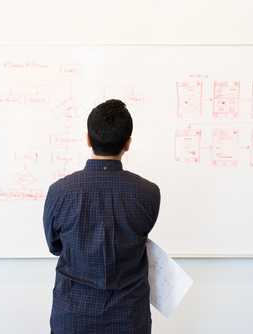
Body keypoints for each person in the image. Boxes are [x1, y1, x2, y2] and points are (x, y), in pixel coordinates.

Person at [43, 99, 161, 333]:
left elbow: (55, 246)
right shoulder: (148, 193)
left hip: (73, 316)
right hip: (129, 317)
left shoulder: (60, 192)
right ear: (127, 143)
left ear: (88, 138)